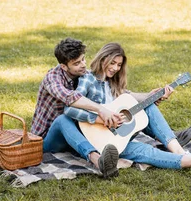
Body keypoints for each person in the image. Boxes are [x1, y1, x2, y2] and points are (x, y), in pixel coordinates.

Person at [63, 42, 191, 176]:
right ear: (102, 59)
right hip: (99, 139)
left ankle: (187, 156)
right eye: (112, 63)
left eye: (119, 65)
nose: (115, 68)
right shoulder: (88, 79)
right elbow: (69, 108)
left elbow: (130, 98)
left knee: (148, 118)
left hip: (120, 136)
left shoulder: (114, 83)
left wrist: (156, 95)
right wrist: (99, 116)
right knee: (145, 150)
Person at [32, 37, 124, 178]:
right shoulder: (53, 78)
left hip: (74, 134)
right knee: (63, 118)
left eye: (83, 59)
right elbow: (70, 98)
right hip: (47, 139)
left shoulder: (83, 74)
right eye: (76, 63)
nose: (83, 65)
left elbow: (110, 91)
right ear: (64, 66)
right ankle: (99, 162)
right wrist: (101, 110)